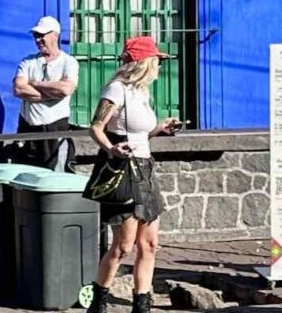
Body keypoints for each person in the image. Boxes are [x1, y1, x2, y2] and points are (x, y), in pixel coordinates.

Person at [85, 36, 182, 313]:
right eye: (156, 61)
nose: (159, 66)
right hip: (123, 171)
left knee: (149, 244)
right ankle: (98, 301)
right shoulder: (117, 89)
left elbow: (140, 133)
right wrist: (111, 148)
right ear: (144, 63)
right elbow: (96, 126)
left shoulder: (142, 92)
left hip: (145, 168)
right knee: (124, 245)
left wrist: (160, 128)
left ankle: (142, 305)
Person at [13, 16, 79, 171]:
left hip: (54, 127)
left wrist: (35, 83)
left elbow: (66, 89)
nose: (38, 40)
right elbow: (18, 88)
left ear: (55, 35)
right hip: (28, 127)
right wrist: (50, 94)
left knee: (55, 173)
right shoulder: (28, 62)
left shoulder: (68, 62)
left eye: (42, 35)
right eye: (36, 36)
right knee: (24, 173)